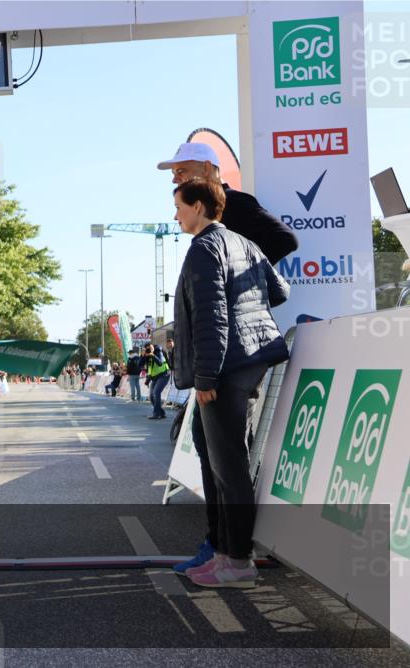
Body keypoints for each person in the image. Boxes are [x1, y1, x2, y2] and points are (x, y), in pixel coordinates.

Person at [171, 177, 289, 588]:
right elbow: (280, 291)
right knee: (221, 459)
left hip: (225, 370)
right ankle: (225, 553)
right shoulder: (245, 244)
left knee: (229, 468)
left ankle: (237, 562)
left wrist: (205, 377)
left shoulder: (204, 248)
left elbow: (213, 319)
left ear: (201, 206)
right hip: (251, 362)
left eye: (180, 207)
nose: (176, 215)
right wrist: (248, 300)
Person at [157, 143, 297, 264]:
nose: (175, 180)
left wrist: (243, 278)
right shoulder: (209, 207)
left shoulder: (234, 201)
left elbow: (285, 239)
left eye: (181, 171)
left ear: (206, 168)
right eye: (173, 173)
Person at [143, 343, 170, 419]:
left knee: (156, 392)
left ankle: (156, 414)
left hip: (164, 375)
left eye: (150, 348)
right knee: (151, 396)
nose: (149, 350)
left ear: (153, 347)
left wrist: (153, 355)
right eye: (147, 349)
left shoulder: (159, 351)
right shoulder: (147, 356)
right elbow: (145, 367)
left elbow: (160, 363)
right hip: (154, 377)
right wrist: (143, 355)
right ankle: (161, 413)